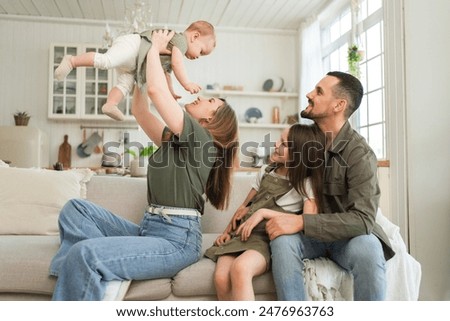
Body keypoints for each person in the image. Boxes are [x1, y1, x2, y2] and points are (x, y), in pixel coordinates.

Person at [49, 29, 238, 301]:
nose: (200, 97)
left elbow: (156, 90)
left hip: (177, 241)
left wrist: (153, 49)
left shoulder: (203, 140)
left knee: (85, 253)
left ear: (213, 121)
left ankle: (88, 271)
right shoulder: (174, 140)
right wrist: (140, 68)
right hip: (150, 229)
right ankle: (85, 273)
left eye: (209, 101)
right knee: (75, 209)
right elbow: (140, 111)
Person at [267, 71, 395, 301]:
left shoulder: (359, 154)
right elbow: (274, 166)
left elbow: (363, 220)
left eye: (318, 91)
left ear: (339, 105)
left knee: (369, 248)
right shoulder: (306, 139)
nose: (309, 94)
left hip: (348, 238)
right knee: (283, 241)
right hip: (310, 237)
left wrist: (301, 221)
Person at [204, 124, 325, 300]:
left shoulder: (306, 183)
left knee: (241, 269)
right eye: (279, 139)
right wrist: (226, 232)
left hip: (265, 240)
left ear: (299, 154)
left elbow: (307, 221)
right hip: (242, 234)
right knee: (221, 278)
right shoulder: (265, 171)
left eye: (284, 144)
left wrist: (265, 213)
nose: (276, 144)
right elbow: (244, 208)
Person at [54, 20, 216, 121]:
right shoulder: (181, 41)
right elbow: (177, 63)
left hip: (137, 61)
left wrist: (172, 92)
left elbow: (166, 73)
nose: (198, 57)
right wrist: (186, 83)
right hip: (135, 45)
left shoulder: (172, 52)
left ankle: (110, 104)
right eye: (201, 51)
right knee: (106, 61)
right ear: (194, 36)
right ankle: (72, 61)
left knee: (125, 84)